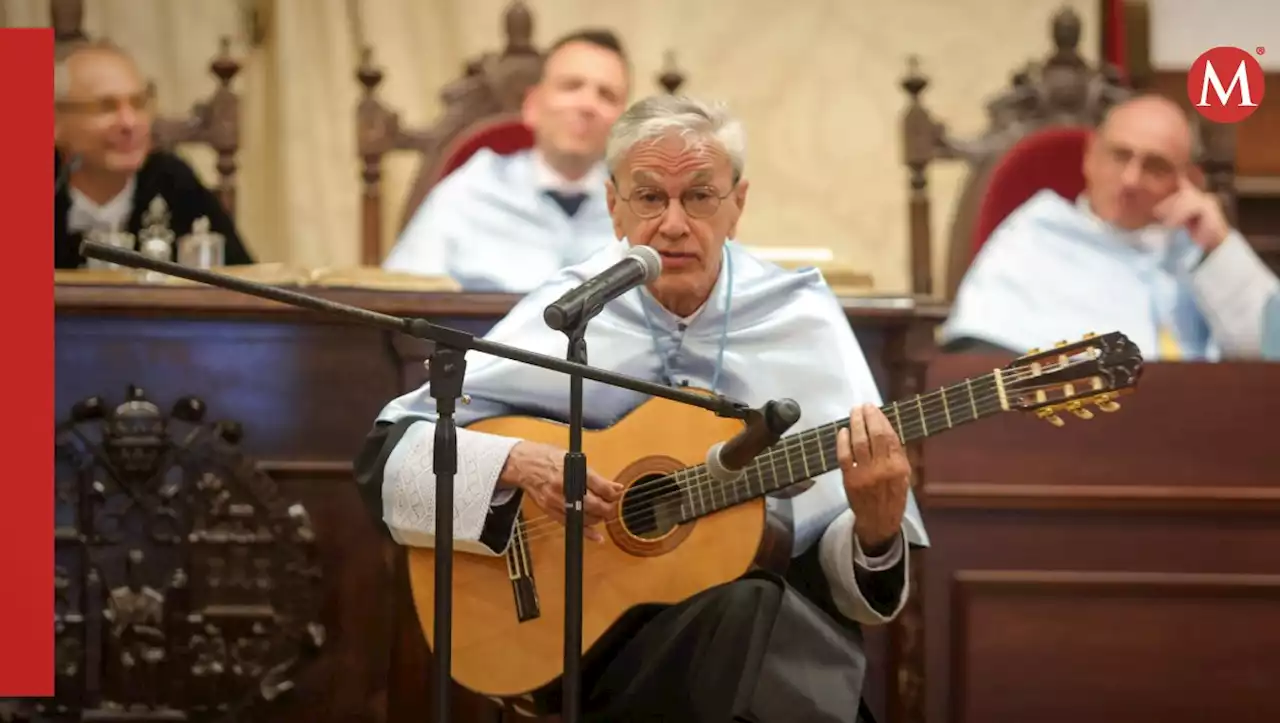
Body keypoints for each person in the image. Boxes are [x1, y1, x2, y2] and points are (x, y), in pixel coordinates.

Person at [355, 95, 929, 722]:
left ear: (738, 204)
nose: (675, 224)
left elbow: (833, 561)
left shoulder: (798, 316)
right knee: (755, 626)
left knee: (755, 609)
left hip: (765, 629)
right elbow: (390, 454)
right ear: (613, 207)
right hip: (594, 641)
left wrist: (875, 533)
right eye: (651, 197)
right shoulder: (569, 308)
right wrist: (512, 462)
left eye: (700, 196)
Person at [939, 94, 1278, 361]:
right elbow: (978, 358)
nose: (1131, 180)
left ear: (1187, 180)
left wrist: (1220, 248)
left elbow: (1269, 352)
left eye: (1155, 166)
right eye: (1120, 156)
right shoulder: (1035, 237)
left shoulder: (1199, 250)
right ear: (1090, 157)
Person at [381, 29, 631, 292]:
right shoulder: (470, 190)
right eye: (571, 86)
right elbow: (398, 302)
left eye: (607, 95)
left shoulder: (640, 208)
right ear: (532, 105)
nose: (587, 105)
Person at [54, 40, 254, 270]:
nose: (129, 123)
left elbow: (246, 286)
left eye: (138, 103)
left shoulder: (173, 180)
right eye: (106, 106)